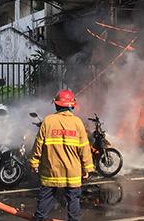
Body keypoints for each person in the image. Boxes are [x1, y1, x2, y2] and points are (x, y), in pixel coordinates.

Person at [30, 90, 94, 221]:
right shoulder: (77, 123)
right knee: (73, 201)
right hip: (72, 172)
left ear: (56, 105)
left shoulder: (48, 121)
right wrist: (87, 169)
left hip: (51, 170)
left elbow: (38, 145)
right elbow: (84, 148)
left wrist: (34, 163)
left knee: (45, 200)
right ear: (72, 106)